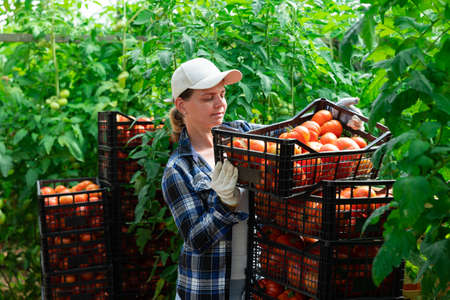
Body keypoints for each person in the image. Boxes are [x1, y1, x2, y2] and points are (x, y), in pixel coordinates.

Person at [161, 57, 258, 300]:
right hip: (208, 288)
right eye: (208, 98)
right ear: (182, 106)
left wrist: (328, 116)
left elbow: (291, 134)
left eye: (222, 94)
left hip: (256, 279)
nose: (220, 104)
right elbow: (196, 240)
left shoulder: (242, 134)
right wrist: (225, 202)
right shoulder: (179, 168)